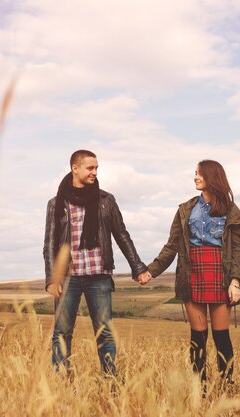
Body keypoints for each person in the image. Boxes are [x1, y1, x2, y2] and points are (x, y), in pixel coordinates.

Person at [43, 149, 151, 375]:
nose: (95, 172)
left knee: (105, 333)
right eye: (90, 168)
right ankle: (62, 382)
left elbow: (121, 234)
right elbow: (50, 244)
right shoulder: (57, 203)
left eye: (96, 168)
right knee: (61, 332)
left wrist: (138, 267)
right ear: (75, 168)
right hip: (68, 277)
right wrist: (52, 278)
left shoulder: (106, 201)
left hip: (99, 275)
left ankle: (111, 381)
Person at [140, 159, 240, 386]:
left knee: (221, 336)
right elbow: (171, 246)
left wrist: (235, 280)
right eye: (195, 173)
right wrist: (151, 271)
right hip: (192, 272)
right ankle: (201, 388)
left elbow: (237, 249)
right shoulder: (185, 210)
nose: (195, 177)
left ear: (212, 177)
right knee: (198, 337)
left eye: (199, 174)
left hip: (221, 273)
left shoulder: (232, 211)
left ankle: (227, 385)